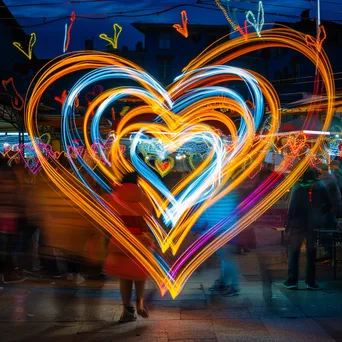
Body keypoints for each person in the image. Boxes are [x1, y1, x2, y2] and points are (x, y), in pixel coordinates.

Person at [104, 172, 153, 323]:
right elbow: (148, 218)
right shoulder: (144, 198)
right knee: (139, 276)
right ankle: (140, 302)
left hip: (121, 242)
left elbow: (108, 218)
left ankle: (127, 309)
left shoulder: (114, 197)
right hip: (140, 241)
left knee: (125, 278)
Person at [283, 168, 332, 290]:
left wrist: (287, 225)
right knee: (311, 253)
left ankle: (292, 280)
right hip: (313, 224)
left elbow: (292, 208)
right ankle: (310, 282)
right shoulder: (320, 186)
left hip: (297, 223)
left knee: (294, 252)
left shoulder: (297, 187)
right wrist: (320, 213)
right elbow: (329, 204)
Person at [316, 163, 342, 263]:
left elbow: (321, 191)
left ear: (321, 170)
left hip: (331, 209)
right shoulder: (329, 177)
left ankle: (328, 253)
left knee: (326, 229)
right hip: (332, 208)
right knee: (326, 229)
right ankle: (327, 252)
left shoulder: (327, 179)